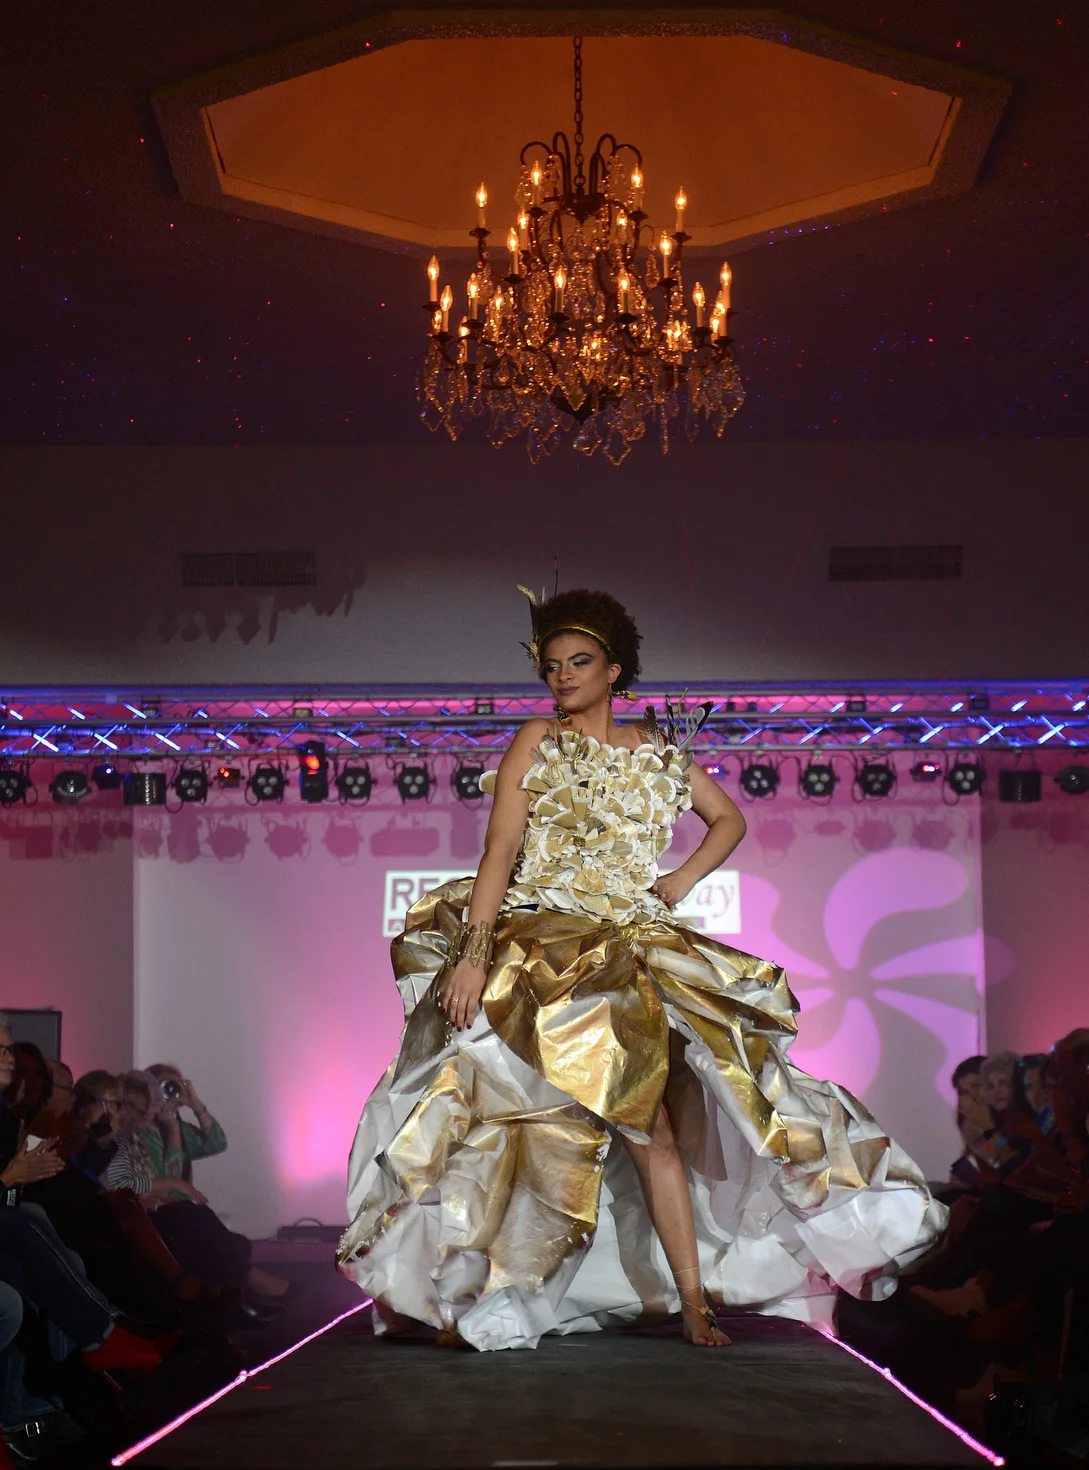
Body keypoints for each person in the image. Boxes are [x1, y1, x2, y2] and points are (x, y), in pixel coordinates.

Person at [338, 587, 947, 1351]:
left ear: (614, 670)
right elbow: (499, 851)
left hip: (630, 948)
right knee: (493, 1113)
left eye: (579, 663)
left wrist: (682, 880)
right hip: (540, 944)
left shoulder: (660, 754)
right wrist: (472, 954)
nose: (562, 677)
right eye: (553, 666)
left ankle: (694, 1303)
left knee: (655, 1123)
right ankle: (459, 1291)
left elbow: (729, 819)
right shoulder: (537, 740)